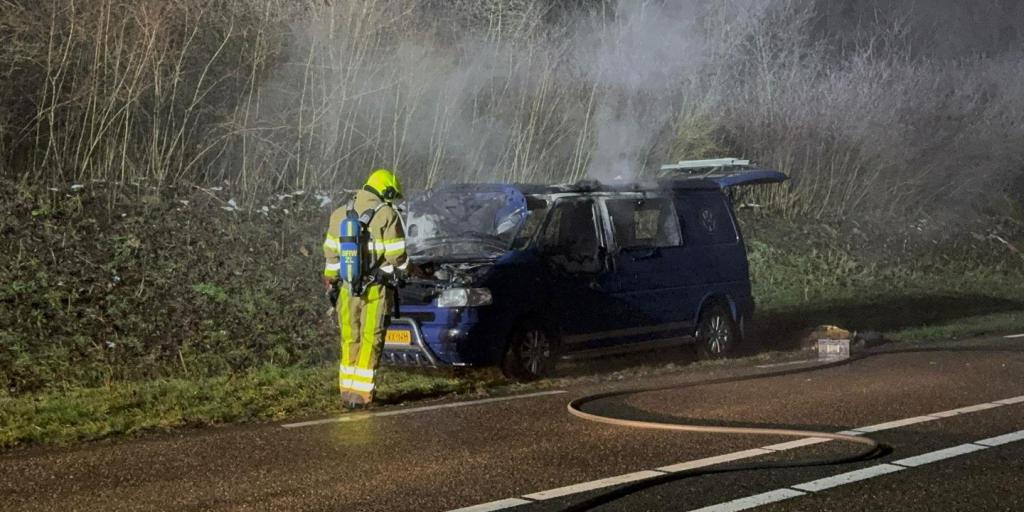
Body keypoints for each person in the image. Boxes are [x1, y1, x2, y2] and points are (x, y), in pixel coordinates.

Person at [322, 168, 408, 408]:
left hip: (347, 289)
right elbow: (397, 257)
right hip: (375, 290)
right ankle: (361, 396)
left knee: (350, 338)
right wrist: (408, 271)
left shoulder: (340, 213)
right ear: (386, 190)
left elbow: (331, 256)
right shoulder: (387, 214)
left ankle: (347, 392)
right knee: (371, 338)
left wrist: (331, 282)